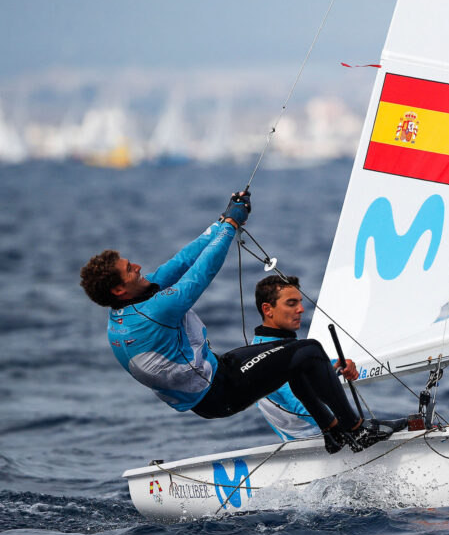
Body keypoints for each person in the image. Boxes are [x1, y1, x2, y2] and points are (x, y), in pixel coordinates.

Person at [78, 191, 382, 454]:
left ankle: (332, 431)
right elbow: (200, 272)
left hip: (214, 376)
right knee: (312, 350)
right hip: (219, 392)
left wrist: (222, 222)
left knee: (293, 356)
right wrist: (232, 226)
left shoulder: (122, 312)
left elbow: (182, 261)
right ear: (118, 289)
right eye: (130, 269)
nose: (138, 267)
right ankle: (356, 430)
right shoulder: (153, 313)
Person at [250, 274, 406, 450]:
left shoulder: (279, 346)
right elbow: (298, 406)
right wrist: (350, 427)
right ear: (268, 309)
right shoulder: (267, 355)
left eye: (300, 302)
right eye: (292, 304)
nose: (301, 309)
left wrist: (338, 366)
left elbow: (305, 371)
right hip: (314, 443)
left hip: (326, 436)